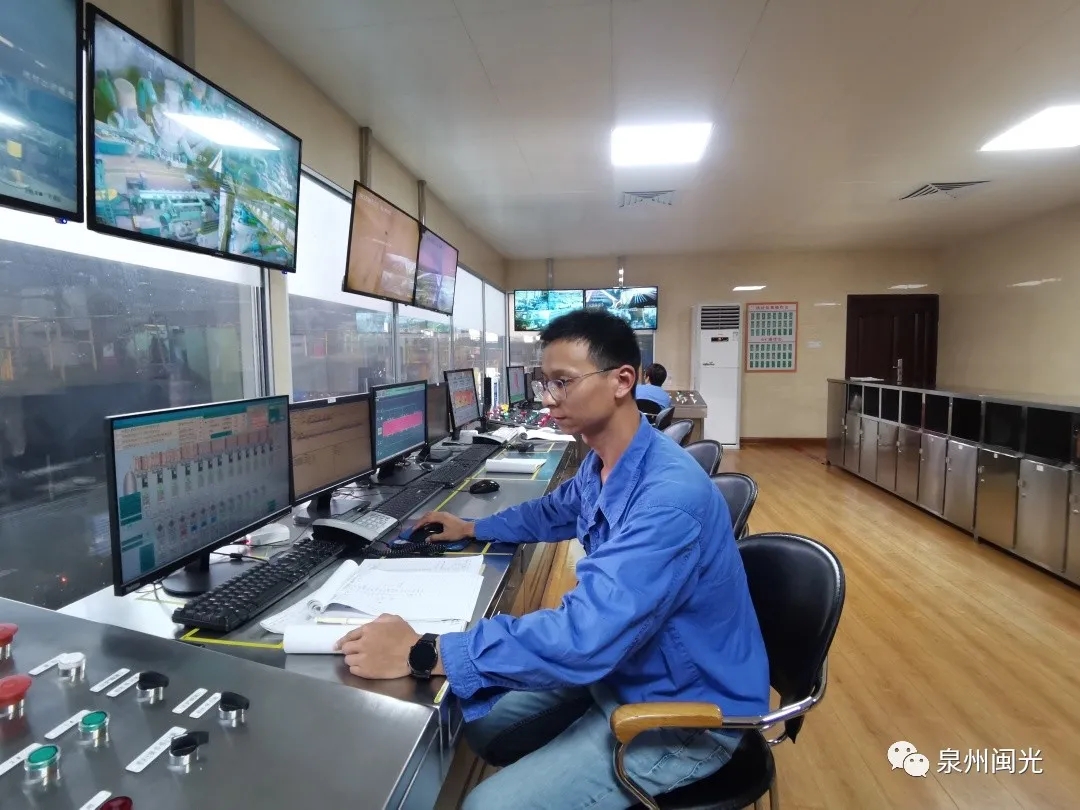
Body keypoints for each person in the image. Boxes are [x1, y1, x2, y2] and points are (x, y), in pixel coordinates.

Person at [336, 309, 769, 809]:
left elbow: (586, 635)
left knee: (485, 807)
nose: (547, 398)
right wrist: (473, 527)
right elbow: (554, 511)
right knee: (484, 726)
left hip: (684, 708)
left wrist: (425, 652)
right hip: (628, 665)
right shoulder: (609, 460)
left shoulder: (667, 498)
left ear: (622, 381)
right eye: (546, 383)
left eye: (563, 382)